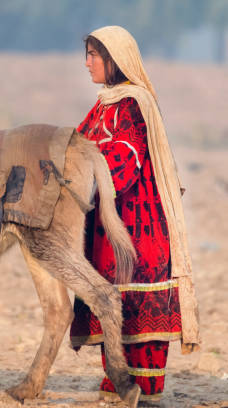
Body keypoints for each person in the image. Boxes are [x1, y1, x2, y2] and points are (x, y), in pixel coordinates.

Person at [68, 25, 201, 403]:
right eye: (88, 54)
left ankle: (146, 392)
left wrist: (81, 175)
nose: (87, 63)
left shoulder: (133, 103)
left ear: (115, 61)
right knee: (111, 306)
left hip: (138, 226)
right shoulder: (104, 103)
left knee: (139, 309)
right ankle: (116, 384)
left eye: (94, 55)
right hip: (108, 226)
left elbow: (121, 162)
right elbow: (77, 146)